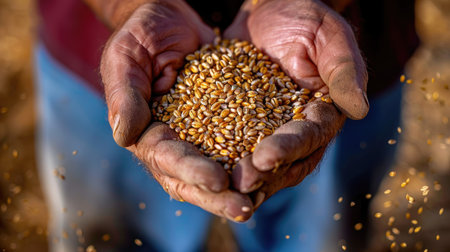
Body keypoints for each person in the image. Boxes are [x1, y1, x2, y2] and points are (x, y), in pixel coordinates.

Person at [35, 0, 418, 251]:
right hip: (102, 53)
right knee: (109, 238)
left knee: (321, 238)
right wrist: (129, 6)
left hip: (322, 57)